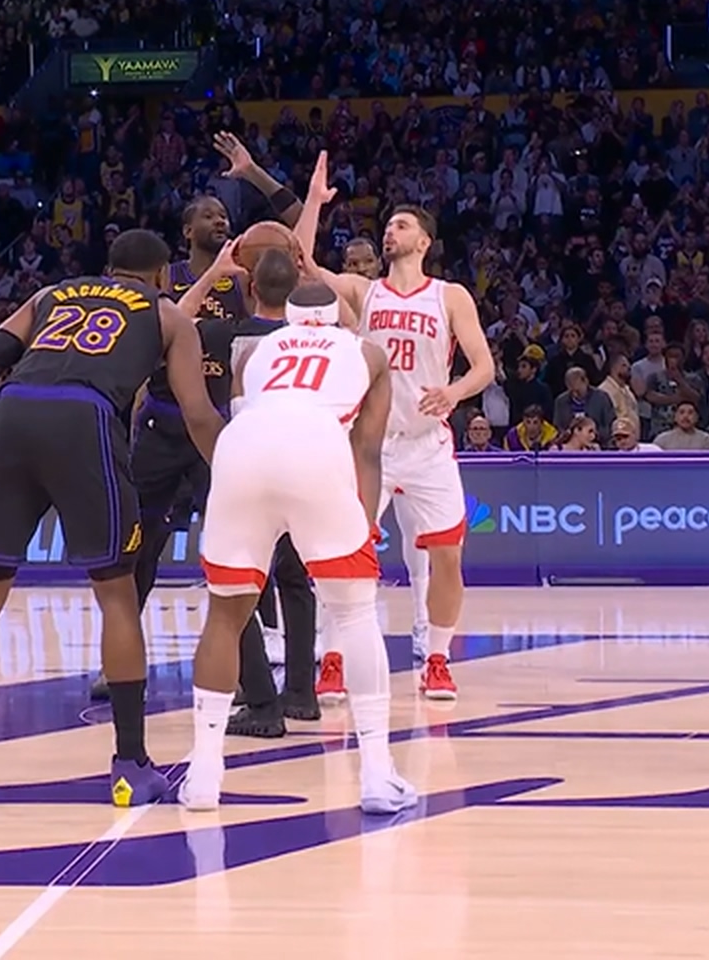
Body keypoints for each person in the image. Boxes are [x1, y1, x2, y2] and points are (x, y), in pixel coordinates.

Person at [0, 228, 225, 810]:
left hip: (15, 413)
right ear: (163, 275)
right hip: (86, 420)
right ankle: (129, 766)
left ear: (109, 269)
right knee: (117, 595)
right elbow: (196, 413)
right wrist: (235, 467)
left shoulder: (53, 294)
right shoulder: (168, 315)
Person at [182, 272, 414, 814]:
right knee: (354, 612)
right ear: (337, 319)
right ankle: (377, 773)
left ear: (286, 318)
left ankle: (203, 773)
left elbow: (237, 418)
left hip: (242, 446)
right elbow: (368, 450)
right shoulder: (368, 352)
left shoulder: (252, 353)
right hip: (317, 443)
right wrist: (365, 521)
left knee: (225, 614)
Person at [295, 151, 497, 701]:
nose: (390, 231)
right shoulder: (365, 292)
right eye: (388, 226)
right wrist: (313, 201)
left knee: (448, 557)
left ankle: (438, 658)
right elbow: (303, 263)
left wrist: (454, 392)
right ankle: (332, 658)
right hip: (371, 445)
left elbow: (483, 367)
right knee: (342, 551)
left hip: (428, 445)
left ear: (424, 241)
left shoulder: (449, 296)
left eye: (401, 225)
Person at [97, 197, 242, 702]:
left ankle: (251, 663)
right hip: (161, 424)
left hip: (215, 427)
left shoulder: (241, 282)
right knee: (140, 546)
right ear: (187, 230)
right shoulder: (166, 277)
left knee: (237, 546)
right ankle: (117, 661)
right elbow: (158, 333)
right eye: (208, 215)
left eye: (223, 215)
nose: (219, 220)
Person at [189, 242, 323, 737]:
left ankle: (263, 704)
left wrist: (211, 276)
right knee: (296, 581)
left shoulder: (226, 332)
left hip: (247, 463)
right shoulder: (318, 341)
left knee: (233, 586)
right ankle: (302, 694)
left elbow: (174, 320)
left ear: (249, 287)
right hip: (304, 463)